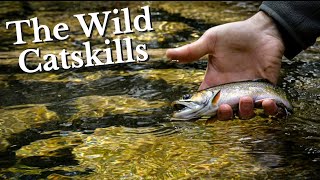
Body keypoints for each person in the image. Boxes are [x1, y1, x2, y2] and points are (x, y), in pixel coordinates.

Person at [166, 1, 320, 120]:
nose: (185, 100)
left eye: (187, 98)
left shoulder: (213, 96)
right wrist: (271, 27)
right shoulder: (208, 104)